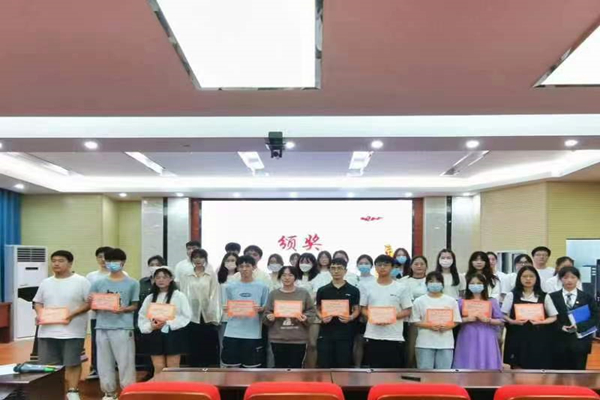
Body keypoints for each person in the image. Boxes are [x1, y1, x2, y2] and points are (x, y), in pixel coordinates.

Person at [33, 250, 91, 400]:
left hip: (72, 331)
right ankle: (53, 391)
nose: (56, 264)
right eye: (54, 261)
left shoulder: (81, 281)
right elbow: (38, 302)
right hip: (47, 331)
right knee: (48, 365)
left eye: (60, 261)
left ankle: (73, 391)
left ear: (70, 263)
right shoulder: (46, 282)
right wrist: (40, 314)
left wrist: (71, 314)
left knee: (72, 362)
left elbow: (89, 303)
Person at [89, 248, 140, 400]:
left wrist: (124, 309)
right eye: (109, 261)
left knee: (125, 361)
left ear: (123, 262)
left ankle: (128, 392)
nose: (111, 264)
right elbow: (93, 306)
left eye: (115, 261)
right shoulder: (98, 283)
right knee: (104, 362)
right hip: (102, 326)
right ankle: (109, 393)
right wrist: (93, 303)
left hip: (123, 326)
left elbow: (134, 305)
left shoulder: (132, 283)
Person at [360, 254, 412, 368]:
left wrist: (390, 317)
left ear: (392, 267)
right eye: (379, 265)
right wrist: (374, 317)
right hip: (373, 334)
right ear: (375, 267)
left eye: (386, 265)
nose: (382, 267)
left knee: (393, 372)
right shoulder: (367, 286)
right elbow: (363, 309)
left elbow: (408, 310)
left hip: (394, 335)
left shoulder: (401, 287)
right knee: (374, 370)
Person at [502, 265, 557, 369]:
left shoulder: (544, 296)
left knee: (537, 366)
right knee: (517, 367)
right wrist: (512, 321)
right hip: (517, 336)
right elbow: (503, 314)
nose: (528, 279)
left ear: (536, 279)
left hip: (538, 336)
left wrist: (541, 322)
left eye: (531, 276)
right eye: (524, 276)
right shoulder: (511, 295)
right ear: (519, 278)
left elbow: (553, 317)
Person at [138, 267, 191, 375]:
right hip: (155, 333)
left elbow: (186, 316)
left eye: (164, 277)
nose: (161, 280)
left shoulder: (179, 296)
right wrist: (150, 326)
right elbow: (142, 316)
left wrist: (168, 323)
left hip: (173, 334)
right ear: (154, 280)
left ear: (171, 279)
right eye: (158, 277)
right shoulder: (150, 297)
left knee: (173, 367)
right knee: (159, 367)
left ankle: (173, 386)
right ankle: (159, 386)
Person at [221, 256, 270, 368]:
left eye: (247, 266)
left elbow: (266, 307)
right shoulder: (230, 287)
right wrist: (227, 308)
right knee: (231, 366)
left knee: (251, 368)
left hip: (253, 333)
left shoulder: (262, 287)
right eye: (241, 266)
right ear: (237, 268)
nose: (244, 269)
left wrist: (260, 309)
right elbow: (226, 305)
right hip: (232, 332)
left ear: (253, 267)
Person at [263, 266, 316, 368]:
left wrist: (305, 317)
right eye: (284, 275)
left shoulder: (303, 293)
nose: (287, 278)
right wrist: (269, 317)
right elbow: (266, 314)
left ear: (295, 277)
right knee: (280, 367)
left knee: (296, 368)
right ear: (280, 277)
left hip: (298, 338)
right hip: (278, 338)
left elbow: (311, 311)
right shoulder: (273, 294)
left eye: (290, 275)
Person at [549, 266, 599, 370]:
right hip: (558, 342)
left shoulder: (587, 297)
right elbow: (548, 317)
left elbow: (596, 317)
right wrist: (560, 327)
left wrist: (579, 326)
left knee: (578, 374)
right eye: (566, 277)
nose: (569, 280)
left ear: (578, 279)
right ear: (560, 279)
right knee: (559, 375)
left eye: (573, 277)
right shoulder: (552, 297)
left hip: (580, 343)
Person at [178, 248, 221, 367]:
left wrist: (214, 313)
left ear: (205, 259)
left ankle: (207, 368)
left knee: (208, 342)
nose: (198, 260)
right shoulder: (186, 274)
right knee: (193, 342)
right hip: (191, 313)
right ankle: (194, 368)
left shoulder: (211, 274)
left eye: (201, 257)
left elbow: (215, 293)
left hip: (207, 314)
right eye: (195, 257)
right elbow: (182, 293)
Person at [316, 257, 360, 368]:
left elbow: (357, 309)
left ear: (345, 271)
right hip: (326, 332)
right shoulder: (322, 290)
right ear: (329, 270)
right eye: (333, 268)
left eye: (339, 268)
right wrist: (321, 317)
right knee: (325, 364)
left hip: (345, 332)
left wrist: (350, 317)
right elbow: (317, 308)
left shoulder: (353, 290)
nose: (336, 271)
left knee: (343, 364)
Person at [412, 271, 461, 369]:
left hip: (445, 343)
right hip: (425, 343)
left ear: (442, 284)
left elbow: (456, 321)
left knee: (444, 374)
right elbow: (414, 321)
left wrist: (447, 327)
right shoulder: (419, 301)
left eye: (438, 281)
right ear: (426, 284)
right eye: (431, 281)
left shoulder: (451, 301)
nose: (434, 284)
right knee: (425, 373)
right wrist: (429, 326)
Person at [453, 273, 504, 370]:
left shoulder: (491, 301)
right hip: (468, 335)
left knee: (487, 360)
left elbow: (501, 320)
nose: (475, 285)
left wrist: (488, 320)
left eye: (479, 283)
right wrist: (466, 319)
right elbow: (454, 320)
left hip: (487, 336)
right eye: (472, 283)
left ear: (484, 285)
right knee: (468, 359)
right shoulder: (462, 301)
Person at [85, 246, 113, 380]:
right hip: (97, 316)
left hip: (116, 316)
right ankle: (95, 368)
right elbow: (87, 295)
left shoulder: (122, 274)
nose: (103, 260)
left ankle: (114, 367)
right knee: (97, 343)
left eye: (106, 257)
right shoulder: (91, 276)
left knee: (114, 343)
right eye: (100, 257)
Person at [136, 255, 165, 379]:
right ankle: (149, 373)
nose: (154, 267)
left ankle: (162, 376)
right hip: (147, 320)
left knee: (161, 351)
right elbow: (138, 301)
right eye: (151, 265)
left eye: (157, 265)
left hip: (163, 320)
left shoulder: (168, 283)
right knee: (148, 349)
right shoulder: (143, 282)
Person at [399, 255, 428, 368]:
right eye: (416, 264)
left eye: (422, 264)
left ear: (426, 266)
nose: (419, 266)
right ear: (411, 266)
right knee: (410, 346)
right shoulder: (404, 281)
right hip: (409, 319)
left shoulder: (431, 280)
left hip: (427, 318)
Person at [296, 252, 321, 368]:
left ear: (313, 263)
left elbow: (316, 294)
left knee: (312, 344)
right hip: (295, 313)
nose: (304, 264)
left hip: (312, 312)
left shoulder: (318, 277)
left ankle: (310, 369)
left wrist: (304, 303)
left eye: (307, 262)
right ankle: (297, 368)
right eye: (302, 261)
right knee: (297, 343)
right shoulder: (294, 276)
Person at [354, 254, 374, 368]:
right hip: (355, 313)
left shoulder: (375, 280)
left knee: (371, 342)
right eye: (361, 263)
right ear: (357, 266)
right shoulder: (353, 279)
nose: (364, 265)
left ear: (371, 265)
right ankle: (357, 366)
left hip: (371, 314)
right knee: (358, 341)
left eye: (366, 263)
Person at [217, 252, 239, 352]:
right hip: (223, 314)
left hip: (238, 314)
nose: (230, 263)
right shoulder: (219, 277)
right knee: (223, 343)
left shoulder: (240, 277)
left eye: (233, 260)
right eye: (228, 260)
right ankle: (223, 362)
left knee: (236, 343)